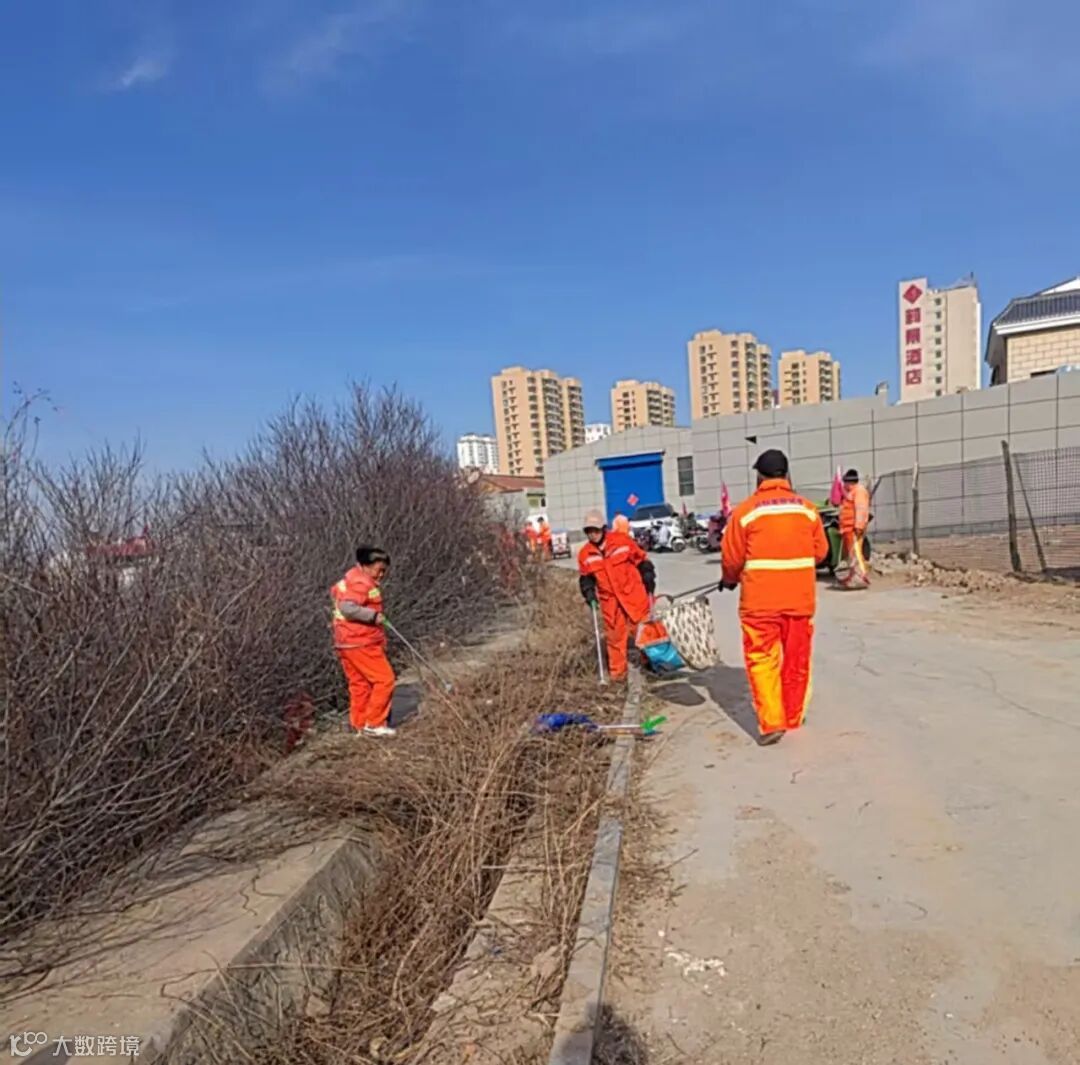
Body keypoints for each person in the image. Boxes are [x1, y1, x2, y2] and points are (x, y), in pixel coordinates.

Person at [720, 450, 829, 746]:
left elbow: (732, 558)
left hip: (759, 603)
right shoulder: (808, 510)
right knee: (796, 659)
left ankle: (771, 722)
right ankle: (792, 716)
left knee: (762, 660)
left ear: (759, 476)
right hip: (799, 600)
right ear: (786, 474)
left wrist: (729, 579)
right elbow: (821, 552)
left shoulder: (745, 512)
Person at [578, 509, 656, 681]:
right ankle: (618, 676)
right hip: (610, 602)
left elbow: (641, 559)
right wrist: (589, 592)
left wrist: (647, 573)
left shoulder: (622, 541)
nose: (592, 534)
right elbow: (586, 578)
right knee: (615, 638)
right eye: (589, 531)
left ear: (603, 528)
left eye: (595, 530)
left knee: (644, 630)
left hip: (633, 594)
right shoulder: (585, 554)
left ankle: (653, 663)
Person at [330, 546, 397, 737]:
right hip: (361, 642)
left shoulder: (350, 579)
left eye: (384, 570)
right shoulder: (361, 583)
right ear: (364, 566)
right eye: (379, 570)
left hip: (345, 642)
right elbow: (347, 607)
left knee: (359, 684)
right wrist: (372, 616)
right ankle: (374, 724)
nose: (382, 574)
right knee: (385, 679)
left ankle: (359, 724)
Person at [838, 469, 871, 586]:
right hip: (848, 529)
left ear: (849, 482)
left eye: (845, 482)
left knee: (856, 553)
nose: (844, 485)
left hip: (854, 529)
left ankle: (862, 576)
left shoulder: (859, 492)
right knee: (852, 555)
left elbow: (861, 509)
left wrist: (858, 526)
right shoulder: (852, 492)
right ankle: (853, 576)